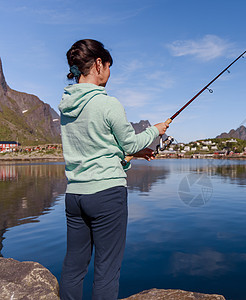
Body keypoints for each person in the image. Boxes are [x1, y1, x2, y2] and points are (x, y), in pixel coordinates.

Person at [59, 39, 168, 299]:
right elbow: (130, 140)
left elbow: (94, 147)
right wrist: (156, 130)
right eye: (108, 66)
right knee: (106, 271)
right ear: (98, 64)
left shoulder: (65, 106)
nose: (109, 72)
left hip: (75, 196)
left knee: (74, 268)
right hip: (107, 195)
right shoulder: (108, 103)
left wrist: (131, 155)